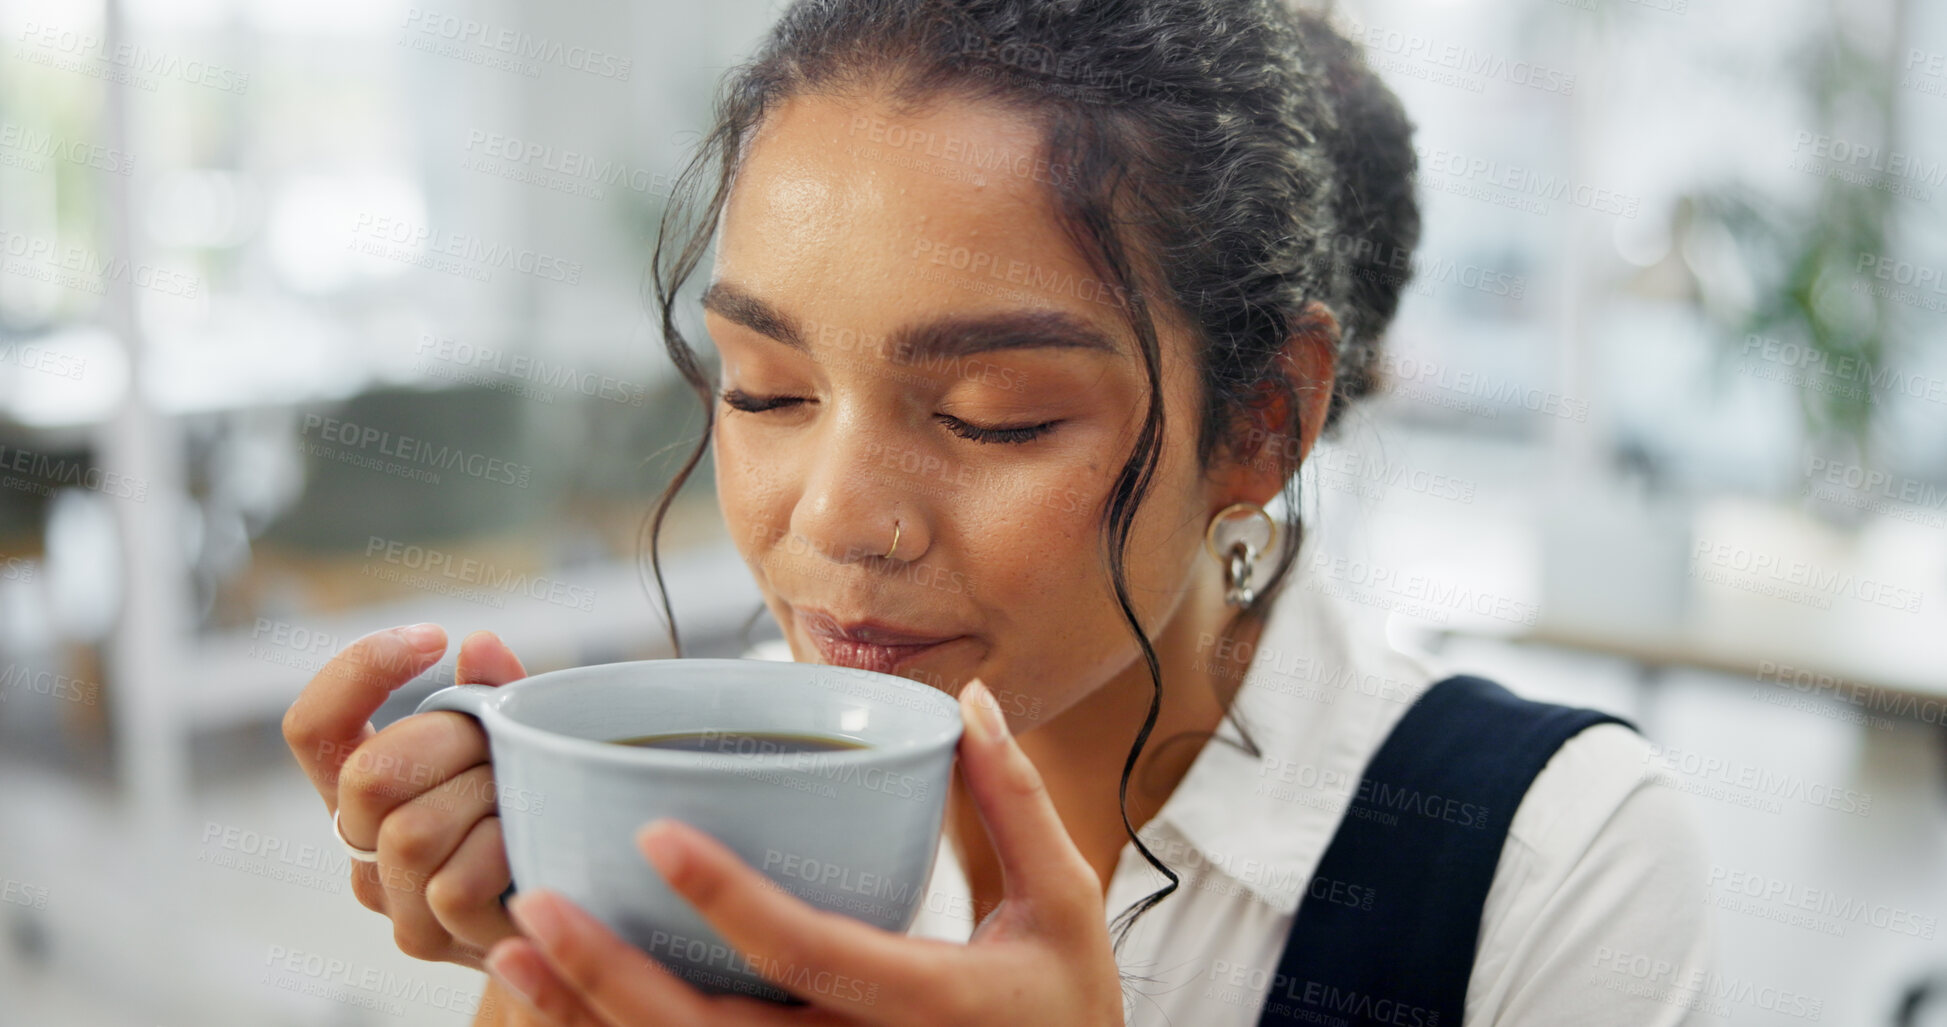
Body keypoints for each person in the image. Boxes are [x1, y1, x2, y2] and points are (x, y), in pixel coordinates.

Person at [281, 2, 1715, 1024]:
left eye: (991, 416)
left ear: (1263, 422)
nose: (837, 520)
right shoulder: (737, 777)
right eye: (768, 389)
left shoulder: (1541, 864)